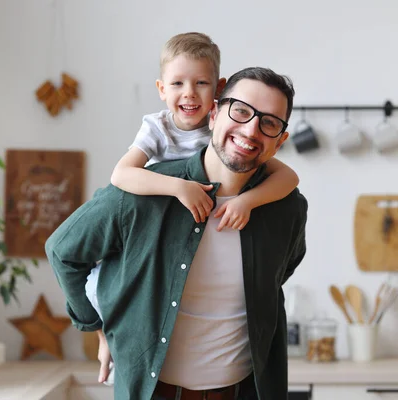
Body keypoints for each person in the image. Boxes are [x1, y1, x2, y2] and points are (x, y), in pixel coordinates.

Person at [46, 66, 308, 400]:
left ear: (280, 141)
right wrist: (96, 326)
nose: (251, 129)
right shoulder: (144, 192)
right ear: (213, 114)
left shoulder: (286, 209)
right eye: (240, 111)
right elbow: (62, 251)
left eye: (269, 122)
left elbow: (281, 271)